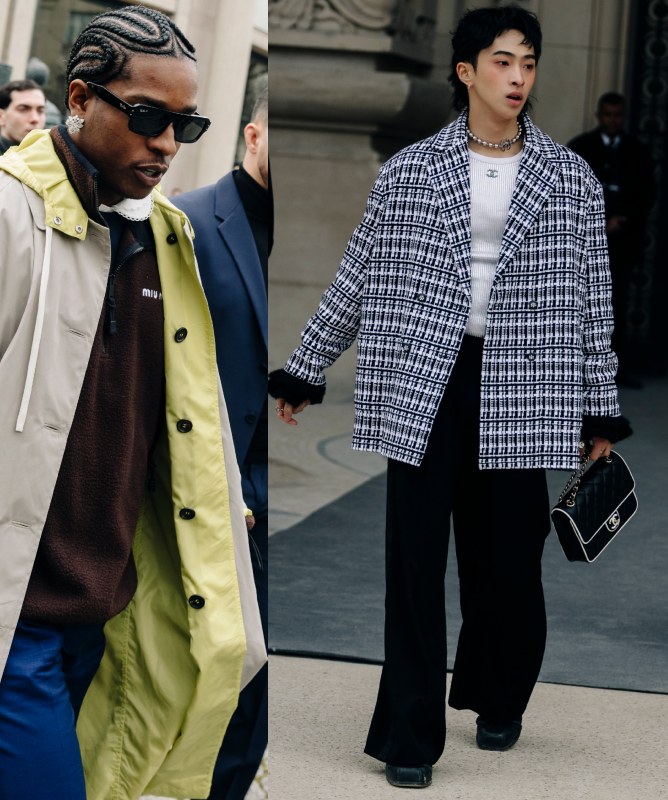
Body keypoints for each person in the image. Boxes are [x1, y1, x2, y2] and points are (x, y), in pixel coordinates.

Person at [0, 7, 265, 799]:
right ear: (79, 98)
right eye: (149, 117)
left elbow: (175, 419)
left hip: (110, 615)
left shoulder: (166, 238)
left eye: (187, 123)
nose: (167, 144)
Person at [269, 7, 631, 789]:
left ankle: (498, 693)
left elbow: (593, 299)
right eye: (502, 62)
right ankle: (408, 735)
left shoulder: (567, 175)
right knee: (414, 566)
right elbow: (360, 274)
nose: (518, 78)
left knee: (507, 566)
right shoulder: (409, 169)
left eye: (528, 64)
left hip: (525, 384)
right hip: (425, 381)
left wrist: (598, 408)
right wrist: (305, 366)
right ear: (466, 71)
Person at [171, 84, 269, 800]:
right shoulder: (190, 221)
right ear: (253, 135)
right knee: (206, 675)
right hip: (217, 494)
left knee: (256, 704)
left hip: (292, 494)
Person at [568, 93, 655, 388]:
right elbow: (568, 189)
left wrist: (622, 220)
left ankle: (615, 370)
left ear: (624, 116)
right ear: (598, 115)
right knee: (580, 305)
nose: (612, 121)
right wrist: (597, 223)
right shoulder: (581, 147)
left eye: (617, 115)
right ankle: (577, 370)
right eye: (608, 115)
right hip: (587, 244)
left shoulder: (638, 151)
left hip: (623, 244)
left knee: (616, 305)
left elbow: (647, 194)